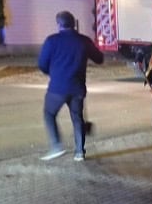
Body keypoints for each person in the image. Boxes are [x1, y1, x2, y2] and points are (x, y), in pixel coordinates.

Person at [37, 10, 103, 162]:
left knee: (49, 114)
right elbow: (99, 58)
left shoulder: (52, 40)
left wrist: (53, 73)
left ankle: (56, 146)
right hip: (78, 88)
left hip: (57, 88)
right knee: (77, 118)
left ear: (59, 24)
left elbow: (42, 64)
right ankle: (79, 152)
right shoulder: (84, 41)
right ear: (74, 24)